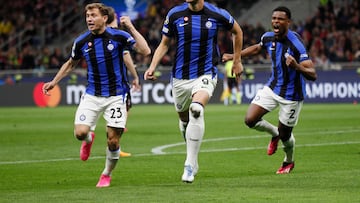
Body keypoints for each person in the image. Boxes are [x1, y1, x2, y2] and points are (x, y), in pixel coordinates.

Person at [42, 3, 150, 187]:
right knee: (80, 133)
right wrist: (54, 82)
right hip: (92, 95)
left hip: (116, 96)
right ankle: (89, 139)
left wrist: (130, 27)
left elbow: (145, 50)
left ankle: (106, 174)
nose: (89, 19)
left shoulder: (119, 36)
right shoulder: (82, 41)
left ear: (104, 18)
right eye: (87, 16)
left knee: (113, 141)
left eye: (93, 15)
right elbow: (70, 64)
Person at [144, 0, 244, 183]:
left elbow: (237, 31)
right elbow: (164, 43)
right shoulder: (175, 14)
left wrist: (237, 60)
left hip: (205, 73)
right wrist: (152, 66)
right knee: (184, 120)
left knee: (196, 110)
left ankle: (189, 166)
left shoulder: (217, 14)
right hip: (180, 77)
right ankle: (194, 158)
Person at [223, 6, 317, 174]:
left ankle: (288, 161)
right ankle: (274, 134)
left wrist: (297, 66)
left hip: (292, 95)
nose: (275, 21)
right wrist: (234, 56)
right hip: (273, 87)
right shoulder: (268, 37)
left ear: (288, 22)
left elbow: (313, 74)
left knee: (286, 135)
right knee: (250, 120)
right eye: (274, 18)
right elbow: (257, 48)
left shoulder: (296, 44)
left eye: (280, 19)